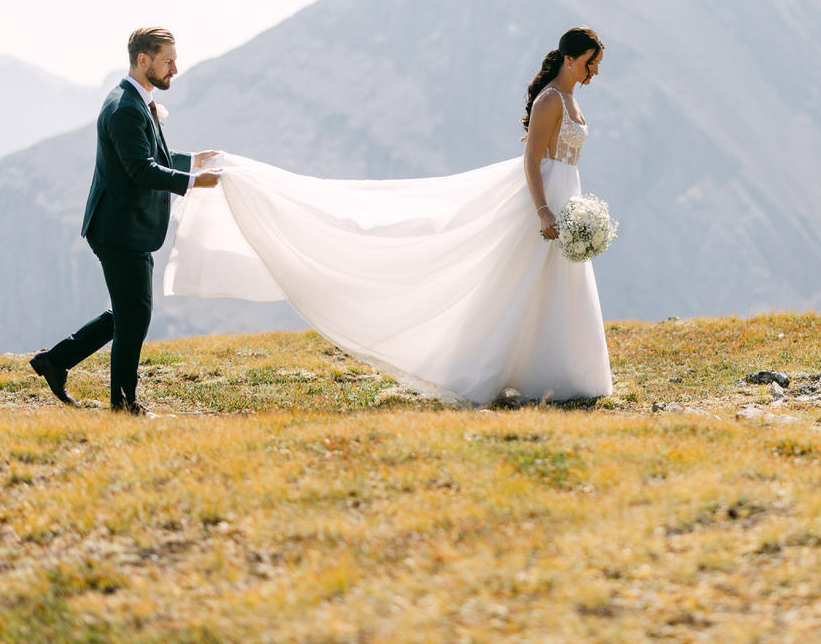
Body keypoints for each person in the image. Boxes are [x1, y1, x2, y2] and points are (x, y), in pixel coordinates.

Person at [164, 27, 614, 405]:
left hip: (567, 199)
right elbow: (532, 160)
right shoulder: (551, 100)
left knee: (553, 284)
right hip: (541, 203)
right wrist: (542, 209)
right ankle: (494, 367)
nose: (594, 71)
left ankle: (563, 372)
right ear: (571, 59)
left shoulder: (573, 99)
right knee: (517, 283)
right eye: (590, 62)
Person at [30, 27, 221, 414]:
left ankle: (55, 362)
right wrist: (192, 182)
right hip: (118, 229)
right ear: (143, 60)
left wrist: (190, 159)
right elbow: (140, 169)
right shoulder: (124, 109)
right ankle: (123, 405)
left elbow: (149, 152)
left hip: (125, 226)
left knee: (130, 310)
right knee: (135, 315)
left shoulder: (137, 100)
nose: (175, 69)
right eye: (168, 61)